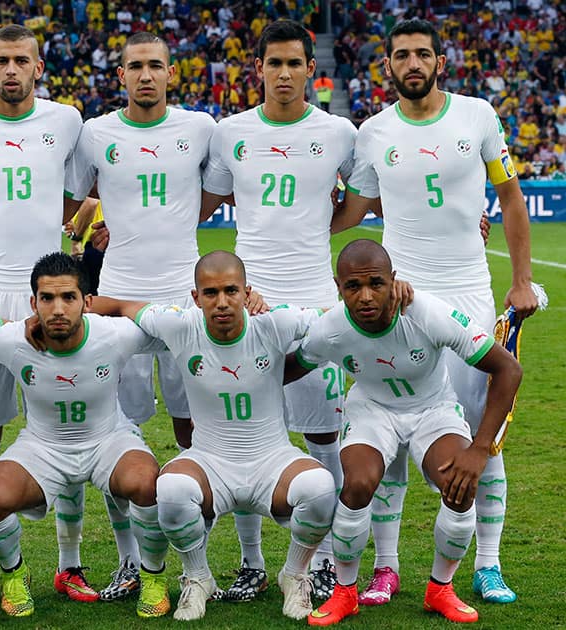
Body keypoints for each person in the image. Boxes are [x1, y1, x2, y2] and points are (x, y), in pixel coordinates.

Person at [333, 18, 538, 606]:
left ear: (440, 63)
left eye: (423, 54)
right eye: (402, 55)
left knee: (483, 437)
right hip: (400, 302)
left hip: (471, 296)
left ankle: (489, 565)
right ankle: (387, 568)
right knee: (390, 431)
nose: (413, 63)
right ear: (388, 67)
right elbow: (354, 210)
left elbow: (510, 197)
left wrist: (521, 281)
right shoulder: (372, 132)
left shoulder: (479, 116)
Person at [89, 250, 337, 621]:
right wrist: (72, 309)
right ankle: (198, 577)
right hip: (210, 460)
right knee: (170, 490)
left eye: (231, 291)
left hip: (272, 459)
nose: (221, 302)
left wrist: (395, 296)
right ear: (195, 297)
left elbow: (337, 317)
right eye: (210, 293)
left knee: (320, 487)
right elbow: (123, 305)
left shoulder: (274, 322)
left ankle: (295, 575)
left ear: (247, 292)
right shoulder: (179, 324)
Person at [0, 24, 97, 603]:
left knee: (67, 426)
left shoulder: (66, 120)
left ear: (38, 67)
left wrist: (81, 234)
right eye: (1, 60)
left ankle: (69, 563)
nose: (11, 70)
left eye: (21, 61)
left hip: (49, 294)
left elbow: (85, 192)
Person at [200, 19, 357, 601]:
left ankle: (318, 561)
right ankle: (250, 560)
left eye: (295, 63)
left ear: (311, 70)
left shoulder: (339, 132)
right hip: (247, 307)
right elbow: (205, 200)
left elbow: (363, 198)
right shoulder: (230, 133)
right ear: (258, 69)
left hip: (316, 305)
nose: (285, 74)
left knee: (324, 436)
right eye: (274, 64)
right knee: (245, 435)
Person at [294, 240, 522, 625]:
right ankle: (345, 593)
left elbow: (508, 370)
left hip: (432, 409)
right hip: (372, 411)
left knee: (459, 483)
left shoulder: (427, 313)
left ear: (393, 281)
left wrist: (479, 449)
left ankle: (440, 589)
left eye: (376, 283)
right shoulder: (329, 329)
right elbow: (290, 367)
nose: (365, 296)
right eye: (353, 286)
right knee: (358, 484)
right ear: (338, 286)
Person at [63, 31, 216, 598]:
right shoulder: (96, 133)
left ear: (172, 73)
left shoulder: (201, 129)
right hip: (117, 299)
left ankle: (193, 555)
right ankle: (130, 559)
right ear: (120, 74)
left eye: (156, 65)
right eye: (135, 67)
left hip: (183, 298)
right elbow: (76, 200)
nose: (146, 75)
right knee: (114, 431)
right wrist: (81, 235)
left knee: (192, 428)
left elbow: (219, 192)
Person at [0, 252, 171, 618]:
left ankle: (152, 576)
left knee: (147, 484)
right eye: (47, 299)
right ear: (34, 304)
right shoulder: (12, 340)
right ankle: (15, 575)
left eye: (68, 298)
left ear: (87, 303)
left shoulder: (115, 334)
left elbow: (181, 328)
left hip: (108, 440)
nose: (58, 308)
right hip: (43, 447)